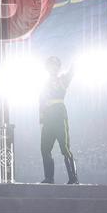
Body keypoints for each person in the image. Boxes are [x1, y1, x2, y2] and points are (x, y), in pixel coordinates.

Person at [39, 56, 78, 185]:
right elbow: (41, 101)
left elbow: (72, 72)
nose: (53, 68)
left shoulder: (63, 79)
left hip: (60, 115)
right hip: (48, 118)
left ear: (58, 67)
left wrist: (75, 59)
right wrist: (42, 118)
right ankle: (49, 178)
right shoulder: (43, 83)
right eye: (50, 65)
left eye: (55, 65)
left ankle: (73, 178)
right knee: (45, 149)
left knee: (65, 148)